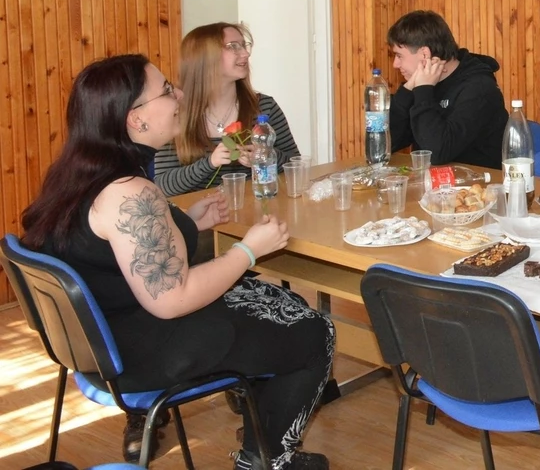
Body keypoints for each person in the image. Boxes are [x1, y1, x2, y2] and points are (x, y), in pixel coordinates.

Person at [21, 55, 335, 470]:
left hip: (105, 336)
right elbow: (172, 299)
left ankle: (261, 438)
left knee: (284, 303)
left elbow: (115, 249)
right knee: (315, 332)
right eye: (167, 90)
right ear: (136, 119)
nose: (180, 95)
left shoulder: (77, 173)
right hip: (143, 350)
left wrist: (187, 222)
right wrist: (248, 251)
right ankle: (267, 460)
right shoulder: (129, 191)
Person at [154, 22, 300, 197]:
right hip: (197, 214)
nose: (245, 53)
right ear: (205, 57)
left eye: (244, 45)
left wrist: (266, 156)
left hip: (257, 211)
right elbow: (162, 186)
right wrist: (209, 163)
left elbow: (295, 165)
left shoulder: (265, 107)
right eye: (233, 46)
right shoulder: (175, 114)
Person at [387, 10, 508, 168]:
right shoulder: (422, 84)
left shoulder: (479, 89)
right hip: (432, 180)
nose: (395, 64)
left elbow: (437, 153)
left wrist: (423, 90)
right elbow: (387, 144)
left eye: (399, 56)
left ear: (424, 54)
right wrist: (407, 90)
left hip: (478, 181)